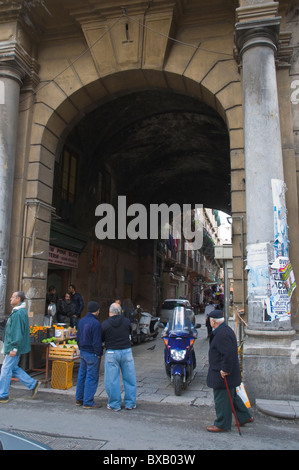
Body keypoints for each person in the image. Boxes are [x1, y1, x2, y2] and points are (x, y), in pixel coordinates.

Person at [206, 310, 253, 432]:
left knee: (222, 398)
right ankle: (245, 417)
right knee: (232, 396)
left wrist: (225, 370)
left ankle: (221, 424)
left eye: (209, 321)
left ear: (213, 321)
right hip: (226, 371)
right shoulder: (224, 330)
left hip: (222, 373)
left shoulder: (222, 334)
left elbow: (228, 353)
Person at [0, 291, 41, 403]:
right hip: (15, 346)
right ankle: (33, 384)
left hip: (13, 346)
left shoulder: (18, 313)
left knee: (5, 369)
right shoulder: (20, 311)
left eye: (13, 297)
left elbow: (17, 332)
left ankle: (2, 394)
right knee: (13, 368)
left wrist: (14, 348)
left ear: (18, 299)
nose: (10, 298)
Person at [101, 302, 137, 411]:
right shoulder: (126, 321)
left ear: (110, 312)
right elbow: (130, 332)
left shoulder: (105, 324)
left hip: (112, 352)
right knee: (130, 378)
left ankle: (114, 404)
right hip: (126, 352)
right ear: (120, 311)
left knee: (112, 380)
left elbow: (102, 338)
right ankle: (130, 403)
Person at [75, 301, 102, 409]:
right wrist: (99, 353)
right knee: (91, 377)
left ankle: (79, 399)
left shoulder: (81, 321)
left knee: (82, 375)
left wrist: (80, 348)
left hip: (83, 352)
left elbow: (78, 336)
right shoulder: (96, 324)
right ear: (96, 311)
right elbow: (96, 341)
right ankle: (88, 401)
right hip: (92, 353)